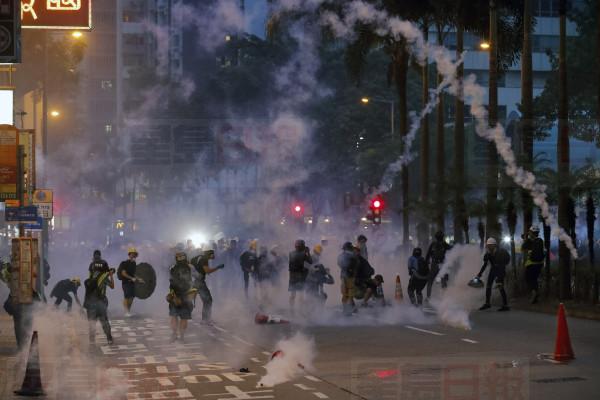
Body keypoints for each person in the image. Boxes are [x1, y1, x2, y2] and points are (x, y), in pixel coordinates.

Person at [84, 250, 115, 345]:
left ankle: (92, 341)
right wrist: (110, 275)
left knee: (91, 322)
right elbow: (112, 286)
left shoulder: (89, 279)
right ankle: (109, 338)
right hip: (101, 301)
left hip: (90, 302)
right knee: (104, 321)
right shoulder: (104, 276)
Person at [190, 249, 225, 325]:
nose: (214, 256)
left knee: (204, 300)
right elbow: (207, 271)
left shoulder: (198, 257)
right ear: (210, 254)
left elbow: (190, 264)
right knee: (208, 300)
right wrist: (218, 267)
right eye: (212, 254)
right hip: (199, 282)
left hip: (194, 281)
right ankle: (206, 319)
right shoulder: (204, 259)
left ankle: (203, 318)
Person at [168, 251, 195, 342]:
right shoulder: (189, 267)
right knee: (177, 316)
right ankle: (178, 335)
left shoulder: (173, 267)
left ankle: (177, 335)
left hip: (182, 294)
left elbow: (172, 283)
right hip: (181, 294)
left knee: (178, 316)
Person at [477, 238, 510, 312]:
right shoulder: (488, 254)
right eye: (487, 245)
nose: (488, 247)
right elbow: (485, 265)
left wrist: (500, 277)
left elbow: (503, 264)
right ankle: (487, 303)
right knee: (488, 286)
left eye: (490, 245)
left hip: (500, 269)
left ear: (494, 245)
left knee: (500, 286)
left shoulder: (500, 253)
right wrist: (479, 274)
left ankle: (505, 305)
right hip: (493, 270)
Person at [521, 226, 545, 304]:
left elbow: (523, 248)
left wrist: (526, 239)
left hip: (531, 264)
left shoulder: (530, 242)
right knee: (534, 279)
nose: (529, 233)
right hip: (540, 264)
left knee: (529, 279)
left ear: (531, 233)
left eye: (530, 232)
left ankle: (534, 292)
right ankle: (535, 295)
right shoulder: (540, 241)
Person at [425, 231, 452, 301]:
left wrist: (426, 262)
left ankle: (441, 297)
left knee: (441, 281)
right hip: (436, 265)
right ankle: (429, 297)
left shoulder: (443, 244)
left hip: (440, 265)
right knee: (433, 281)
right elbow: (428, 255)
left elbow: (428, 255)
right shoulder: (437, 244)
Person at [117, 247, 142, 317]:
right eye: (133, 254)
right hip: (125, 282)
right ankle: (126, 312)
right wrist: (132, 278)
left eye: (135, 254)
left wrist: (138, 278)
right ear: (129, 254)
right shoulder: (125, 263)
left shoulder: (134, 263)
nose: (134, 255)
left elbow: (133, 274)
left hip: (132, 283)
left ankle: (128, 311)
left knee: (132, 297)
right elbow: (123, 273)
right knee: (127, 297)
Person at [288, 240, 312, 311]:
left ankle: (291, 309)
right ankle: (300, 310)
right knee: (301, 294)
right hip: (300, 276)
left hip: (292, 276)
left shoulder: (291, 253)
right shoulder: (303, 254)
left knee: (293, 294)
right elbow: (310, 261)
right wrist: (308, 252)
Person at [337, 242, 359, 316]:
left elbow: (339, 263)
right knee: (350, 293)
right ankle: (348, 310)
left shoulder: (341, 256)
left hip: (344, 276)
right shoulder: (353, 256)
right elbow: (357, 264)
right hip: (350, 276)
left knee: (345, 294)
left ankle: (346, 310)